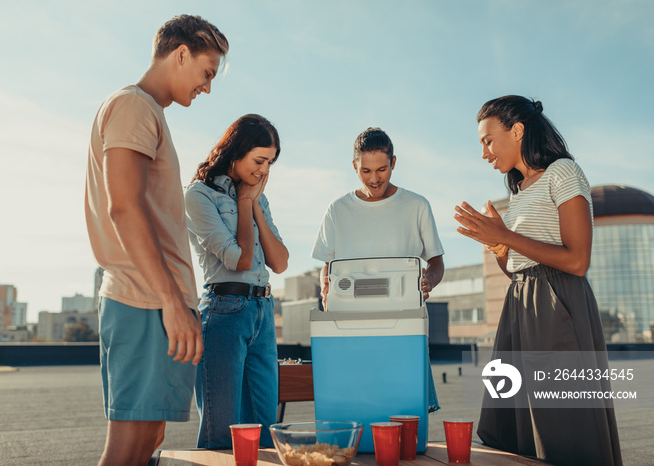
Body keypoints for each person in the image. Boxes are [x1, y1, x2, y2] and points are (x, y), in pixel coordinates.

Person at [84, 15, 228, 466]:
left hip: (156, 301)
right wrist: (170, 301)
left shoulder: (148, 113)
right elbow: (123, 207)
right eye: (207, 72)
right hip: (144, 300)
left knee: (148, 442)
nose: (208, 87)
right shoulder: (134, 106)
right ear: (180, 53)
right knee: (127, 450)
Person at [454, 95, 622, 465]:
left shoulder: (563, 173)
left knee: (562, 423)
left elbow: (577, 260)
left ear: (517, 131)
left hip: (556, 304)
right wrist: (498, 244)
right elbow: (516, 266)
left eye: (487, 140)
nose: (484, 153)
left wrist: (507, 236)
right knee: (514, 420)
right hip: (521, 304)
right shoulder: (519, 191)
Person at [312, 127, 445, 412]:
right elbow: (327, 265)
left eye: (382, 169)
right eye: (365, 170)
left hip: (405, 323)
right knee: (356, 405)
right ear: (354, 166)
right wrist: (325, 286)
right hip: (349, 324)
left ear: (393, 163)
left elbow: (436, 261)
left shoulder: (417, 205)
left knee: (404, 408)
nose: (374, 179)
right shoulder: (337, 209)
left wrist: (428, 281)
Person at [184, 114, 289, 449]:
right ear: (237, 151)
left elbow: (280, 262)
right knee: (223, 431)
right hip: (224, 313)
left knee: (266, 429)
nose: (263, 171)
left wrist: (255, 203)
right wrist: (244, 202)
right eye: (259, 160)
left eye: (270, 163)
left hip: (263, 310)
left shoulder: (259, 196)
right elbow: (240, 260)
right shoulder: (198, 196)